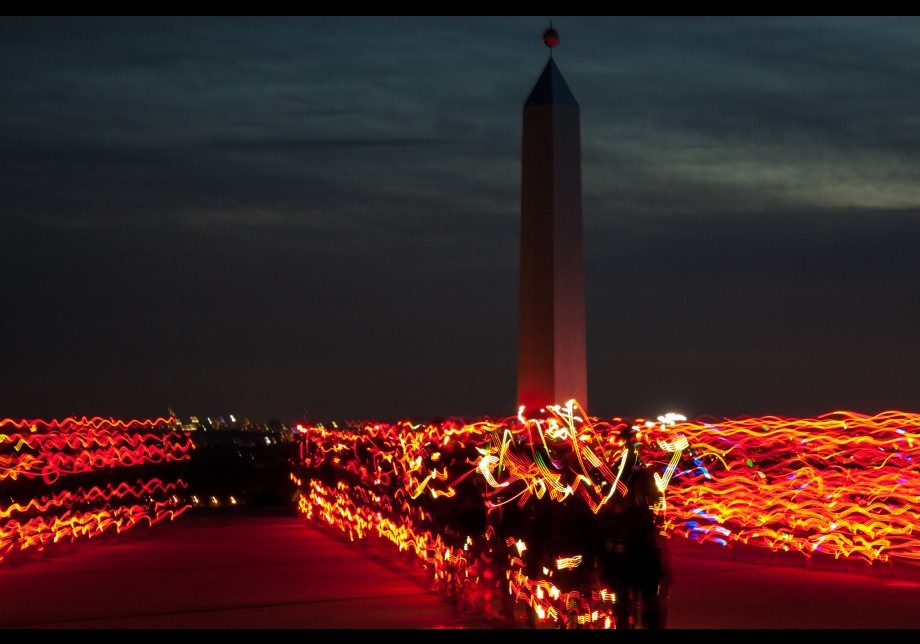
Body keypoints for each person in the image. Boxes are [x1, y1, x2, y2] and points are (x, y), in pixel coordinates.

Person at [601, 467, 665, 629]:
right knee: (642, 600)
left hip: (633, 563)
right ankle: (640, 619)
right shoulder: (639, 515)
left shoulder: (628, 516)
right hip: (637, 563)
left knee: (631, 600)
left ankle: (633, 619)